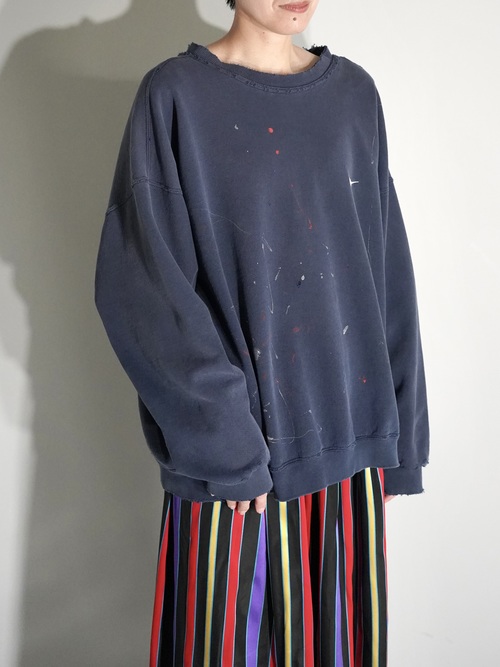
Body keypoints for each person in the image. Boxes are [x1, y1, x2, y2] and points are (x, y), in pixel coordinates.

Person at [95, 0, 430, 664]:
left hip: (348, 456)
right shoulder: (176, 96)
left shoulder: (354, 95)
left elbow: (384, 268)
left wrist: (400, 438)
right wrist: (226, 448)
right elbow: (143, 288)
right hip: (230, 465)